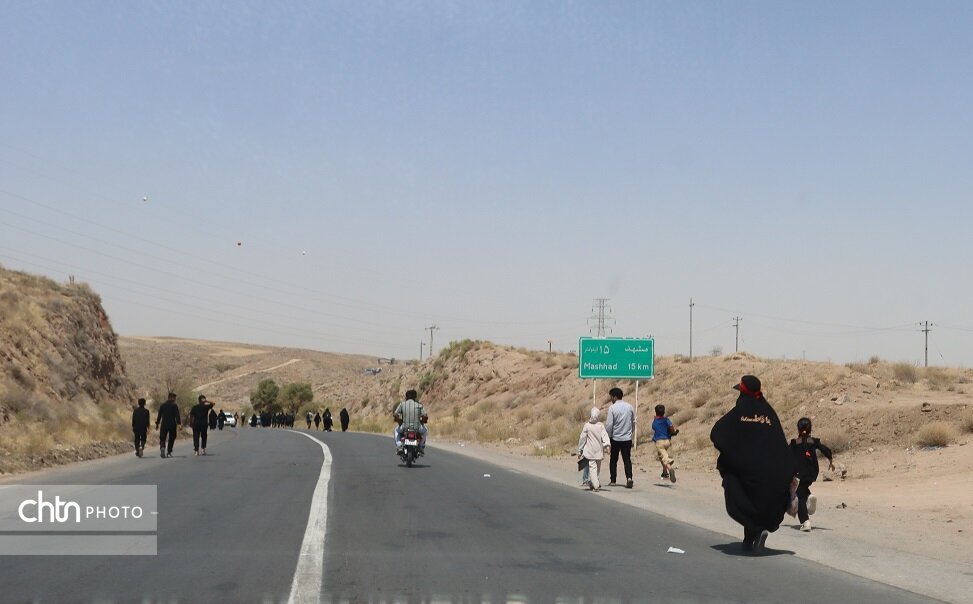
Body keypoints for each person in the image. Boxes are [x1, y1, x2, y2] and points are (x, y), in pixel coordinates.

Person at [711, 375, 796, 554]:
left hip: (749, 472)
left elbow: (717, 433)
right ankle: (753, 536)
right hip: (775, 472)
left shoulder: (739, 412)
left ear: (742, 393)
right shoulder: (769, 413)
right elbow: (779, 442)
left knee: (739, 488)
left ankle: (753, 533)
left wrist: (734, 454)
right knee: (761, 499)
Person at [790, 418, 834, 532]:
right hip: (812, 472)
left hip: (800, 474)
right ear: (810, 429)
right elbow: (824, 449)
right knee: (803, 489)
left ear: (798, 429)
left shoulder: (794, 443)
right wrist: (830, 459)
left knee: (799, 496)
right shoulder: (813, 441)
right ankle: (809, 497)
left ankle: (805, 522)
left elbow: (785, 456)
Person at [605, 387, 636, 488]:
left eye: (611, 397)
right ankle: (629, 478)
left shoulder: (612, 408)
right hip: (627, 438)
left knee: (613, 460)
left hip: (615, 438)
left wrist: (608, 436)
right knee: (627, 459)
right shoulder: (629, 407)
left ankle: (613, 480)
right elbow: (633, 421)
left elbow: (609, 424)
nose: (611, 399)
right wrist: (631, 432)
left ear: (614, 397)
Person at [577, 407, 611, 491]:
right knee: (596, 469)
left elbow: (582, 438)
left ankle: (594, 485)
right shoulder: (600, 426)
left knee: (593, 469)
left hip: (590, 452)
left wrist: (580, 450)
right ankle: (595, 484)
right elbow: (605, 436)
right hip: (599, 451)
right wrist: (607, 446)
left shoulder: (587, 426)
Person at [651, 404, 679, 483]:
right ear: (664, 412)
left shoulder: (655, 422)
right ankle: (665, 472)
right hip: (667, 441)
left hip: (659, 442)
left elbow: (654, 427)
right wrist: (674, 432)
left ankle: (670, 469)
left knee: (664, 457)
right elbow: (671, 427)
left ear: (656, 412)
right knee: (661, 456)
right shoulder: (666, 420)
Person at [156, 392, 181, 458]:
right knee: (172, 438)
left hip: (164, 424)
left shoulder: (162, 405)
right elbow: (177, 415)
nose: (175, 399)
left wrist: (157, 423)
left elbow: (159, 415)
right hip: (172, 424)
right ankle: (169, 452)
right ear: (171, 398)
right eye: (174, 398)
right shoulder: (174, 406)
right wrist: (179, 424)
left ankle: (162, 447)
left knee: (162, 438)